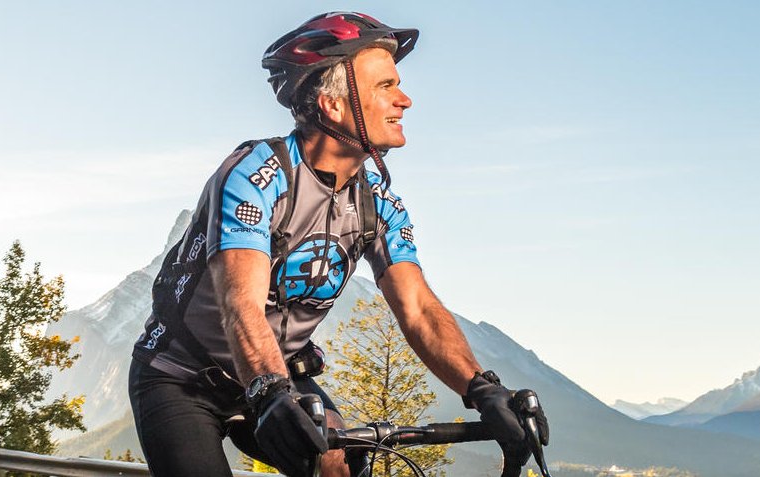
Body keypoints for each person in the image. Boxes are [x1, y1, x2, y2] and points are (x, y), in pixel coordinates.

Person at [128, 11, 548, 477]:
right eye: (385, 86)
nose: (405, 100)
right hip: (181, 379)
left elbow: (417, 307)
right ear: (333, 104)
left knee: (342, 467)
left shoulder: (378, 201)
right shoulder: (254, 175)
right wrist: (270, 391)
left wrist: (482, 388)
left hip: (279, 378)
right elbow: (240, 306)